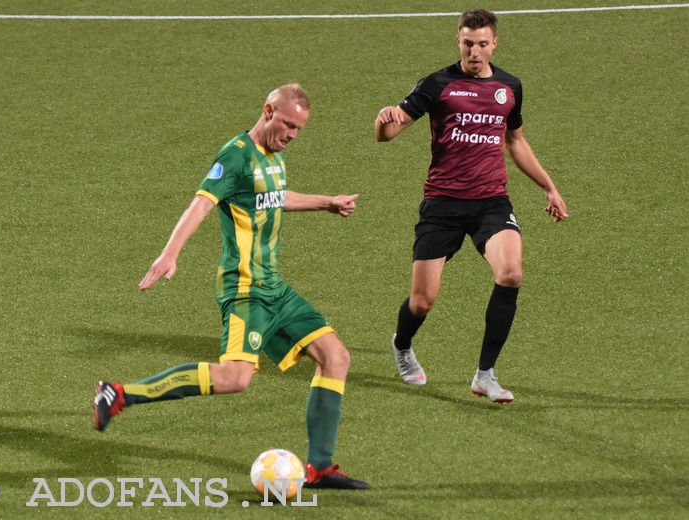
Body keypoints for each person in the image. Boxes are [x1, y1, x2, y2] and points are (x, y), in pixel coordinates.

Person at [94, 83, 369, 490]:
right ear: (268, 110)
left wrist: (326, 202)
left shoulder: (274, 156)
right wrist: (171, 253)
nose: (293, 134)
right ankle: (119, 394)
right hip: (244, 290)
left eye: (300, 128)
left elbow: (274, 196)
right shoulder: (236, 154)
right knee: (235, 378)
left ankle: (320, 467)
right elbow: (201, 203)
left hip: (275, 287)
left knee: (336, 358)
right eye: (289, 124)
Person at [374, 10, 568, 403]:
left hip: (491, 202)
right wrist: (383, 121)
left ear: (494, 43)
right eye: (468, 43)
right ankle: (402, 344)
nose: (474, 51)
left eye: (482, 43)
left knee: (511, 274)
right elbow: (389, 133)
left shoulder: (509, 87)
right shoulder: (438, 84)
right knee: (422, 301)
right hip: (443, 204)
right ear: (458, 41)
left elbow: (515, 141)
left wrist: (549, 187)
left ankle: (485, 374)